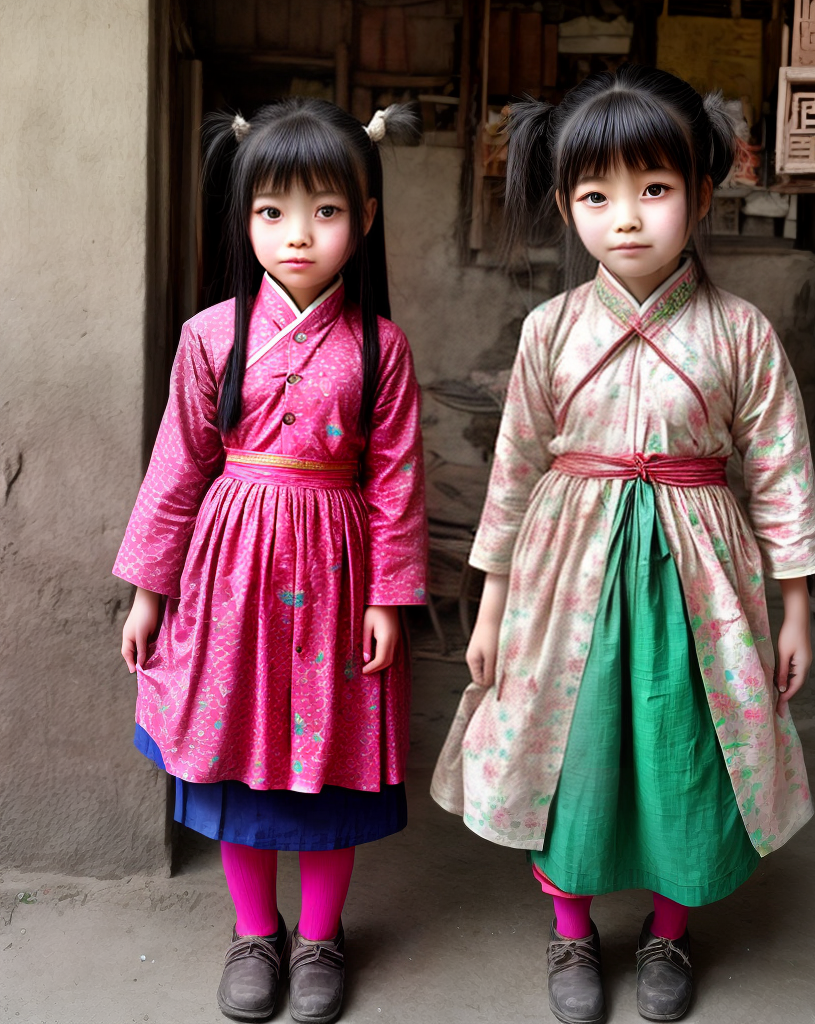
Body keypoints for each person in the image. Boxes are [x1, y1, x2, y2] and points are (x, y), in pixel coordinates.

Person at [431, 64, 815, 1024]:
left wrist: (796, 608)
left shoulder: (740, 333)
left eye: (654, 189)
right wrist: (488, 607)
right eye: (596, 195)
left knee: (688, 750)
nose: (627, 218)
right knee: (565, 749)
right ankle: (572, 933)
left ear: (700, 188)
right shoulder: (549, 330)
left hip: (702, 582)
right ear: (567, 206)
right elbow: (516, 469)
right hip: (564, 580)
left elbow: (778, 468)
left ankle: (668, 936)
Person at [115, 97, 426, 1024]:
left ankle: (322, 938)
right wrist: (147, 592)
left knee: (331, 764)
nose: (298, 236)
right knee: (235, 766)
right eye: (272, 212)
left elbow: (398, 479)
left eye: (326, 211)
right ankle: (256, 932)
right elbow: (177, 466)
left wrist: (389, 598)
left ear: (365, 217)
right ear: (244, 215)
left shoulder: (382, 346)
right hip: (230, 575)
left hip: (337, 575)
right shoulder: (210, 336)